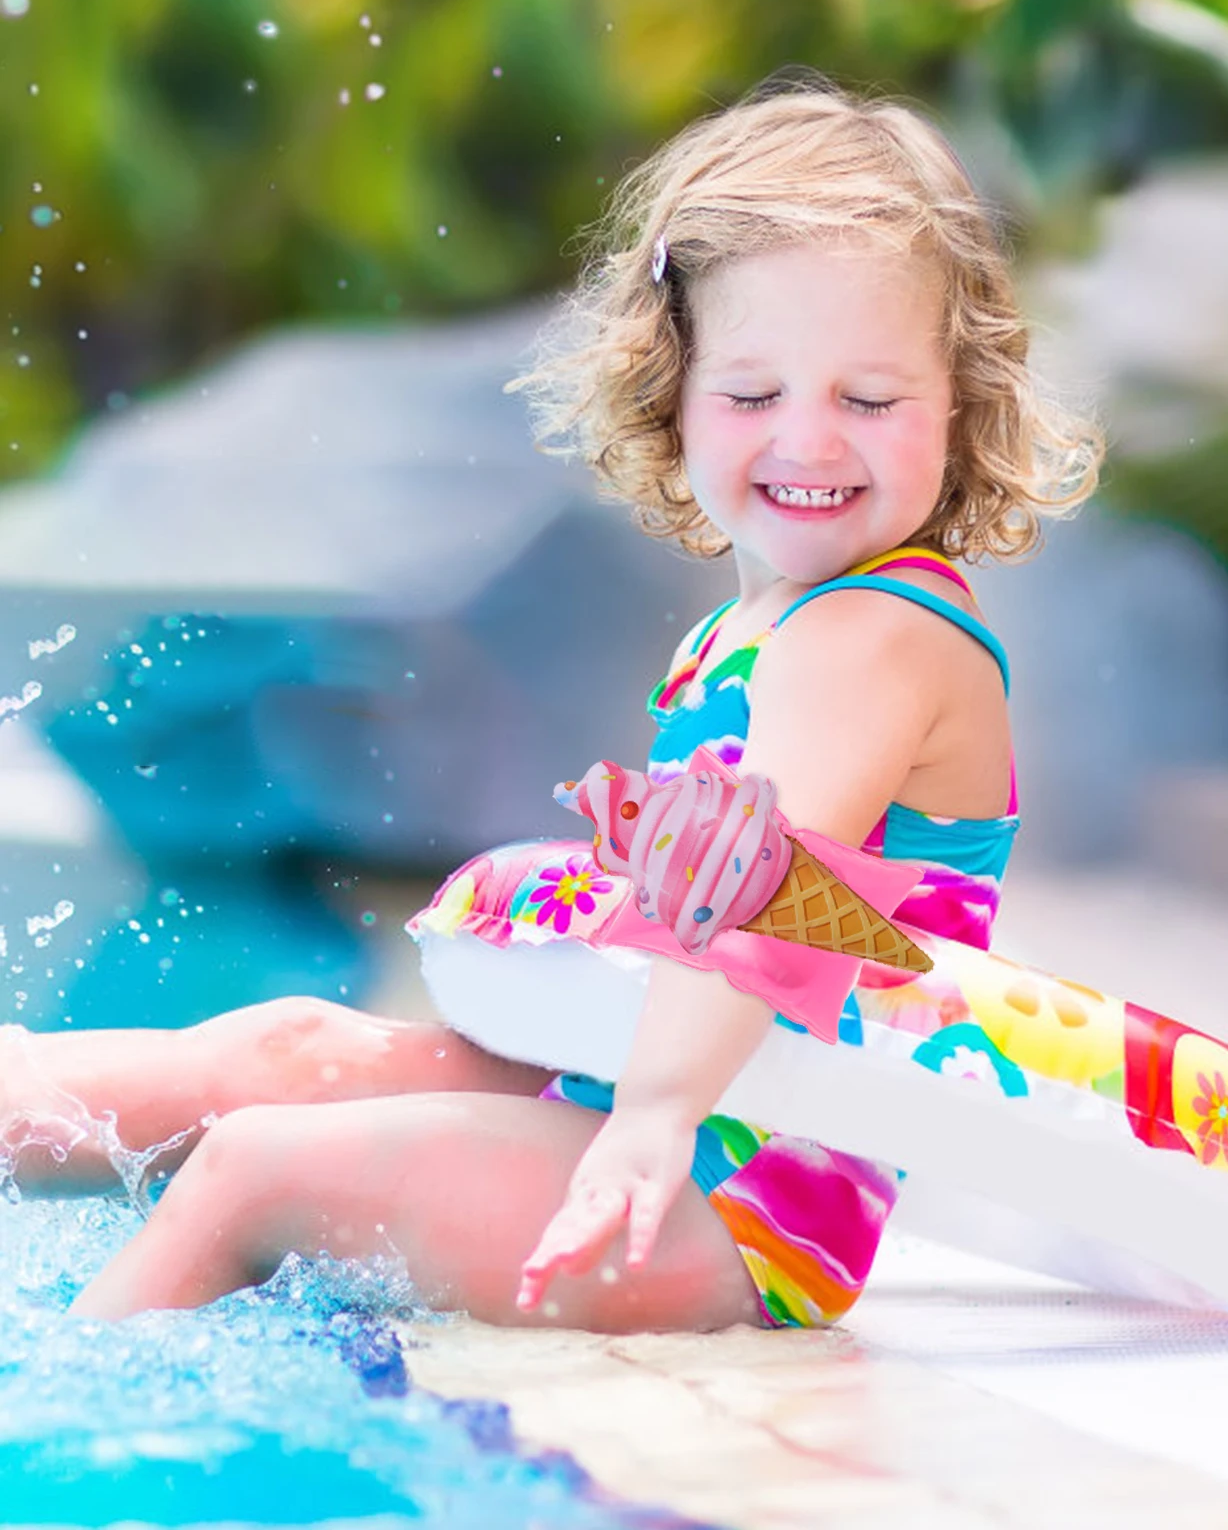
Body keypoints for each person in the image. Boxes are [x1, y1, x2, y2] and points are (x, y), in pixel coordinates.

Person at [0, 77, 1098, 1331]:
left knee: (256, 1165)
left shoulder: (874, 636)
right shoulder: (750, 628)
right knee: (282, 1049)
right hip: (647, 1100)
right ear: (672, 391)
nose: (809, 440)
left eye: (868, 398)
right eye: (753, 395)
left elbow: (758, 901)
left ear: (958, 405)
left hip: (740, 1191)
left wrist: (650, 1123)